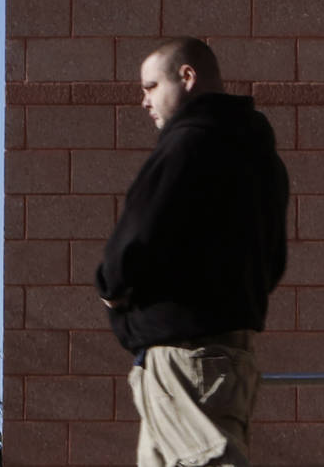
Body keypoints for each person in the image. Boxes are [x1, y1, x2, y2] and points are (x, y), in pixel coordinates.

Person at [96, 37, 288, 467]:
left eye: (150, 86)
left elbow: (134, 237)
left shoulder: (186, 143)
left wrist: (111, 291)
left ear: (187, 77)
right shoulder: (264, 160)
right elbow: (272, 262)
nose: (143, 100)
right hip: (232, 359)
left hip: (182, 360)